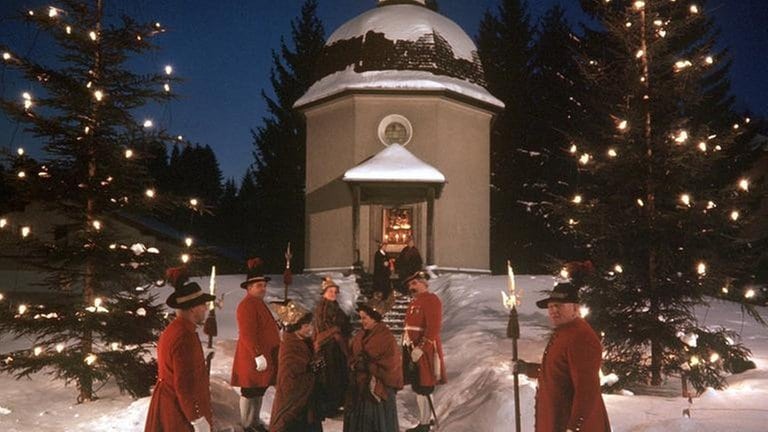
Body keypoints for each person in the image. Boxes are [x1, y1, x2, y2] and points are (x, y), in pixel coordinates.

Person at [516, 281, 611, 432]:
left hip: (568, 423)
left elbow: (586, 389)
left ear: (575, 308)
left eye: (559, 305)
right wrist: (528, 369)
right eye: (551, 306)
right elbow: (560, 372)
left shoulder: (581, 337)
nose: (553, 310)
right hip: (556, 421)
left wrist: (574, 427)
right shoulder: (565, 331)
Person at [145, 267, 216, 432]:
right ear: (192, 308)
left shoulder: (175, 329)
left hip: (171, 403)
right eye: (203, 305)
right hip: (179, 412)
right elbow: (184, 385)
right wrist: (196, 418)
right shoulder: (185, 336)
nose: (206, 308)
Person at [231, 258, 281, 432]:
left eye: (264, 285)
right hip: (253, 358)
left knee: (259, 390)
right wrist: (257, 354)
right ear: (249, 288)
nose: (263, 288)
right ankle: (246, 424)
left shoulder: (258, 303)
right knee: (249, 391)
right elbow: (247, 333)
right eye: (259, 285)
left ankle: (255, 422)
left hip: (263, 357)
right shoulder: (246, 305)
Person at [343, 297, 403, 432]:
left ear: (374, 318)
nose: (362, 321)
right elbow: (353, 354)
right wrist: (353, 363)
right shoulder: (361, 334)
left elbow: (390, 363)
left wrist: (367, 365)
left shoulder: (385, 337)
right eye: (361, 318)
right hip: (360, 386)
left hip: (378, 389)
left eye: (365, 318)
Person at [269, 300, 325, 432]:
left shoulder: (305, 342)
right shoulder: (290, 346)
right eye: (306, 326)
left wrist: (315, 365)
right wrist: (310, 369)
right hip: (294, 400)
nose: (310, 328)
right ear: (297, 327)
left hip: (306, 400)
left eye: (310, 325)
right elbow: (289, 375)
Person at [402, 270, 446, 432]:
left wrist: (422, 348)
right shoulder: (414, 302)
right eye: (410, 285)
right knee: (418, 385)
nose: (411, 287)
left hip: (424, 350)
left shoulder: (432, 300)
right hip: (412, 348)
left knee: (425, 385)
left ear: (424, 283)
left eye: (414, 283)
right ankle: (424, 421)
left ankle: (425, 424)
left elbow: (433, 328)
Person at [313, 277, 352, 417]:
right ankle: (328, 407)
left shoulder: (336, 306)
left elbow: (345, 325)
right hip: (327, 347)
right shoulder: (322, 307)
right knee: (329, 376)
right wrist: (336, 331)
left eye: (335, 291)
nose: (333, 294)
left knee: (338, 375)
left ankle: (336, 404)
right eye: (330, 291)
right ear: (324, 292)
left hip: (337, 347)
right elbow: (324, 327)